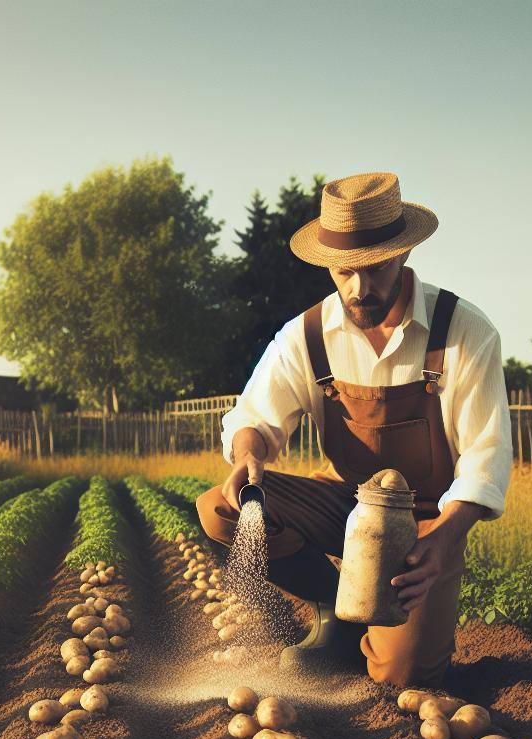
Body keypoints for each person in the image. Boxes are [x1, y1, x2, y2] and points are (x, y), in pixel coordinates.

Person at [195, 171, 512, 688]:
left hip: (425, 525)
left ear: (404, 253)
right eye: (344, 271)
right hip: (345, 503)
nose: (359, 288)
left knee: (403, 677)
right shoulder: (307, 334)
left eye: (376, 267)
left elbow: (486, 454)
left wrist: (446, 540)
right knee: (223, 508)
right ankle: (335, 613)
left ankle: (388, 627)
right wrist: (248, 456)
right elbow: (253, 416)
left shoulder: (463, 332)